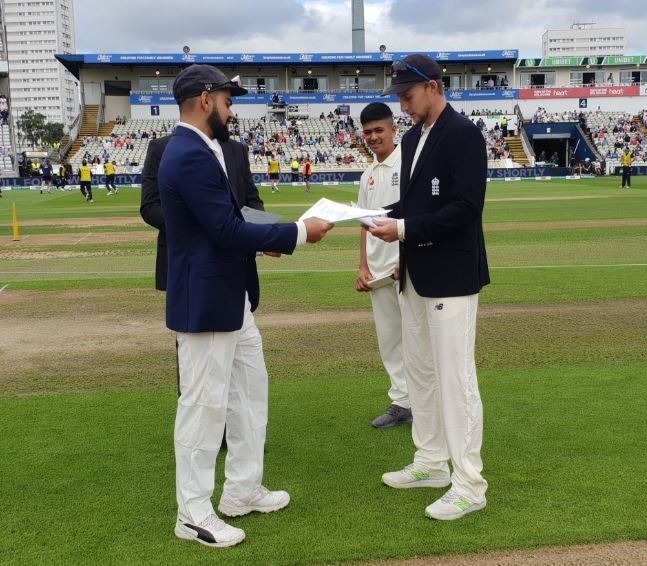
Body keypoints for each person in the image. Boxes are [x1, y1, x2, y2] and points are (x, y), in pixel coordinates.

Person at [158, 64, 333, 548]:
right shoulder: (189, 153)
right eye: (228, 100)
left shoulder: (206, 149)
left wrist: (267, 238)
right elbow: (225, 230)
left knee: (249, 396)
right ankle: (192, 513)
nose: (233, 110)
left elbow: (233, 218)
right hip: (207, 303)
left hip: (231, 298)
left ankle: (241, 490)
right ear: (204, 99)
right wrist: (298, 232)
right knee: (203, 407)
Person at [370, 54, 490, 521]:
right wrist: (379, 214)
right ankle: (431, 461)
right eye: (399, 96)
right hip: (416, 274)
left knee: (456, 380)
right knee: (420, 373)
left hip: (452, 277)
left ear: (435, 87)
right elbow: (417, 201)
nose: (403, 105)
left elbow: (465, 208)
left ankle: (469, 483)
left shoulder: (463, 134)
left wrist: (399, 229)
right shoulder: (415, 136)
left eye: (408, 95)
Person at [355, 102, 411, 429]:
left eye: (379, 130)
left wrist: (407, 259)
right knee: (389, 339)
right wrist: (362, 266)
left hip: (403, 266)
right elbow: (363, 224)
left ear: (393, 130)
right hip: (377, 272)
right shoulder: (367, 175)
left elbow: (413, 217)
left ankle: (428, 404)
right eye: (368, 132)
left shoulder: (407, 164)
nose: (373, 137)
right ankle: (402, 402)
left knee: (417, 339)